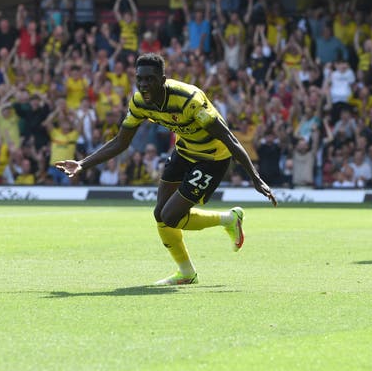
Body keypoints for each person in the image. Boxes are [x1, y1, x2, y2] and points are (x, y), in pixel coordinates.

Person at [56, 53, 277, 285]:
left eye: (149, 79)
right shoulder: (139, 101)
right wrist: (82, 163)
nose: (143, 84)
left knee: (170, 216)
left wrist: (255, 177)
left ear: (162, 79)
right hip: (184, 151)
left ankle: (227, 220)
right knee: (159, 214)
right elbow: (121, 141)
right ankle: (187, 272)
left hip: (212, 158)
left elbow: (230, 139)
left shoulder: (189, 99)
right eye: (139, 79)